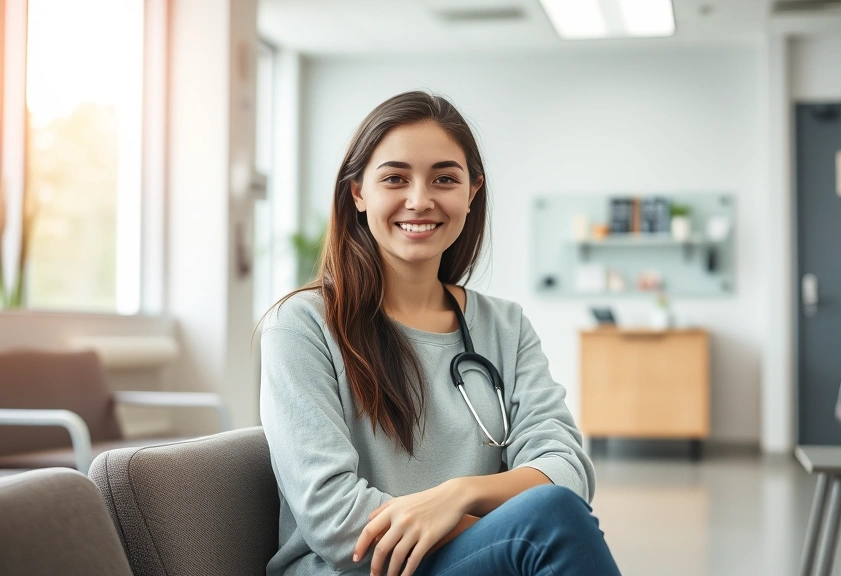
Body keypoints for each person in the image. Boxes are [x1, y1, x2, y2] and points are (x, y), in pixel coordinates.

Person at [259, 91, 621, 576]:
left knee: (550, 518)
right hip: (356, 569)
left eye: (444, 179)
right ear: (358, 193)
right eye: (394, 178)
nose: (420, 200)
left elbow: (566, 470)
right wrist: (506, 531)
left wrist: (459, 495)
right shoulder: (303, 326)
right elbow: (336, 518)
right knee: (547, 523)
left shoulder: (505, 327)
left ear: (472, 192)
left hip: (481, 560)